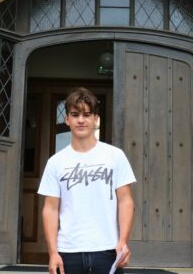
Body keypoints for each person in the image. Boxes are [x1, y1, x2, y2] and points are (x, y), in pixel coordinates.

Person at [38, 87, 136, 274]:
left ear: (96, 119)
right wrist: (53, 252)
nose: (81, 120)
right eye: (75, 115)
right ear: (67, 119)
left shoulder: (115, 156)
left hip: (108, 250)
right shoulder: (55, 162)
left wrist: (123, 241)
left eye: (87, 114)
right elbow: (50, 208)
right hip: (67, 252)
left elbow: (126, 201)